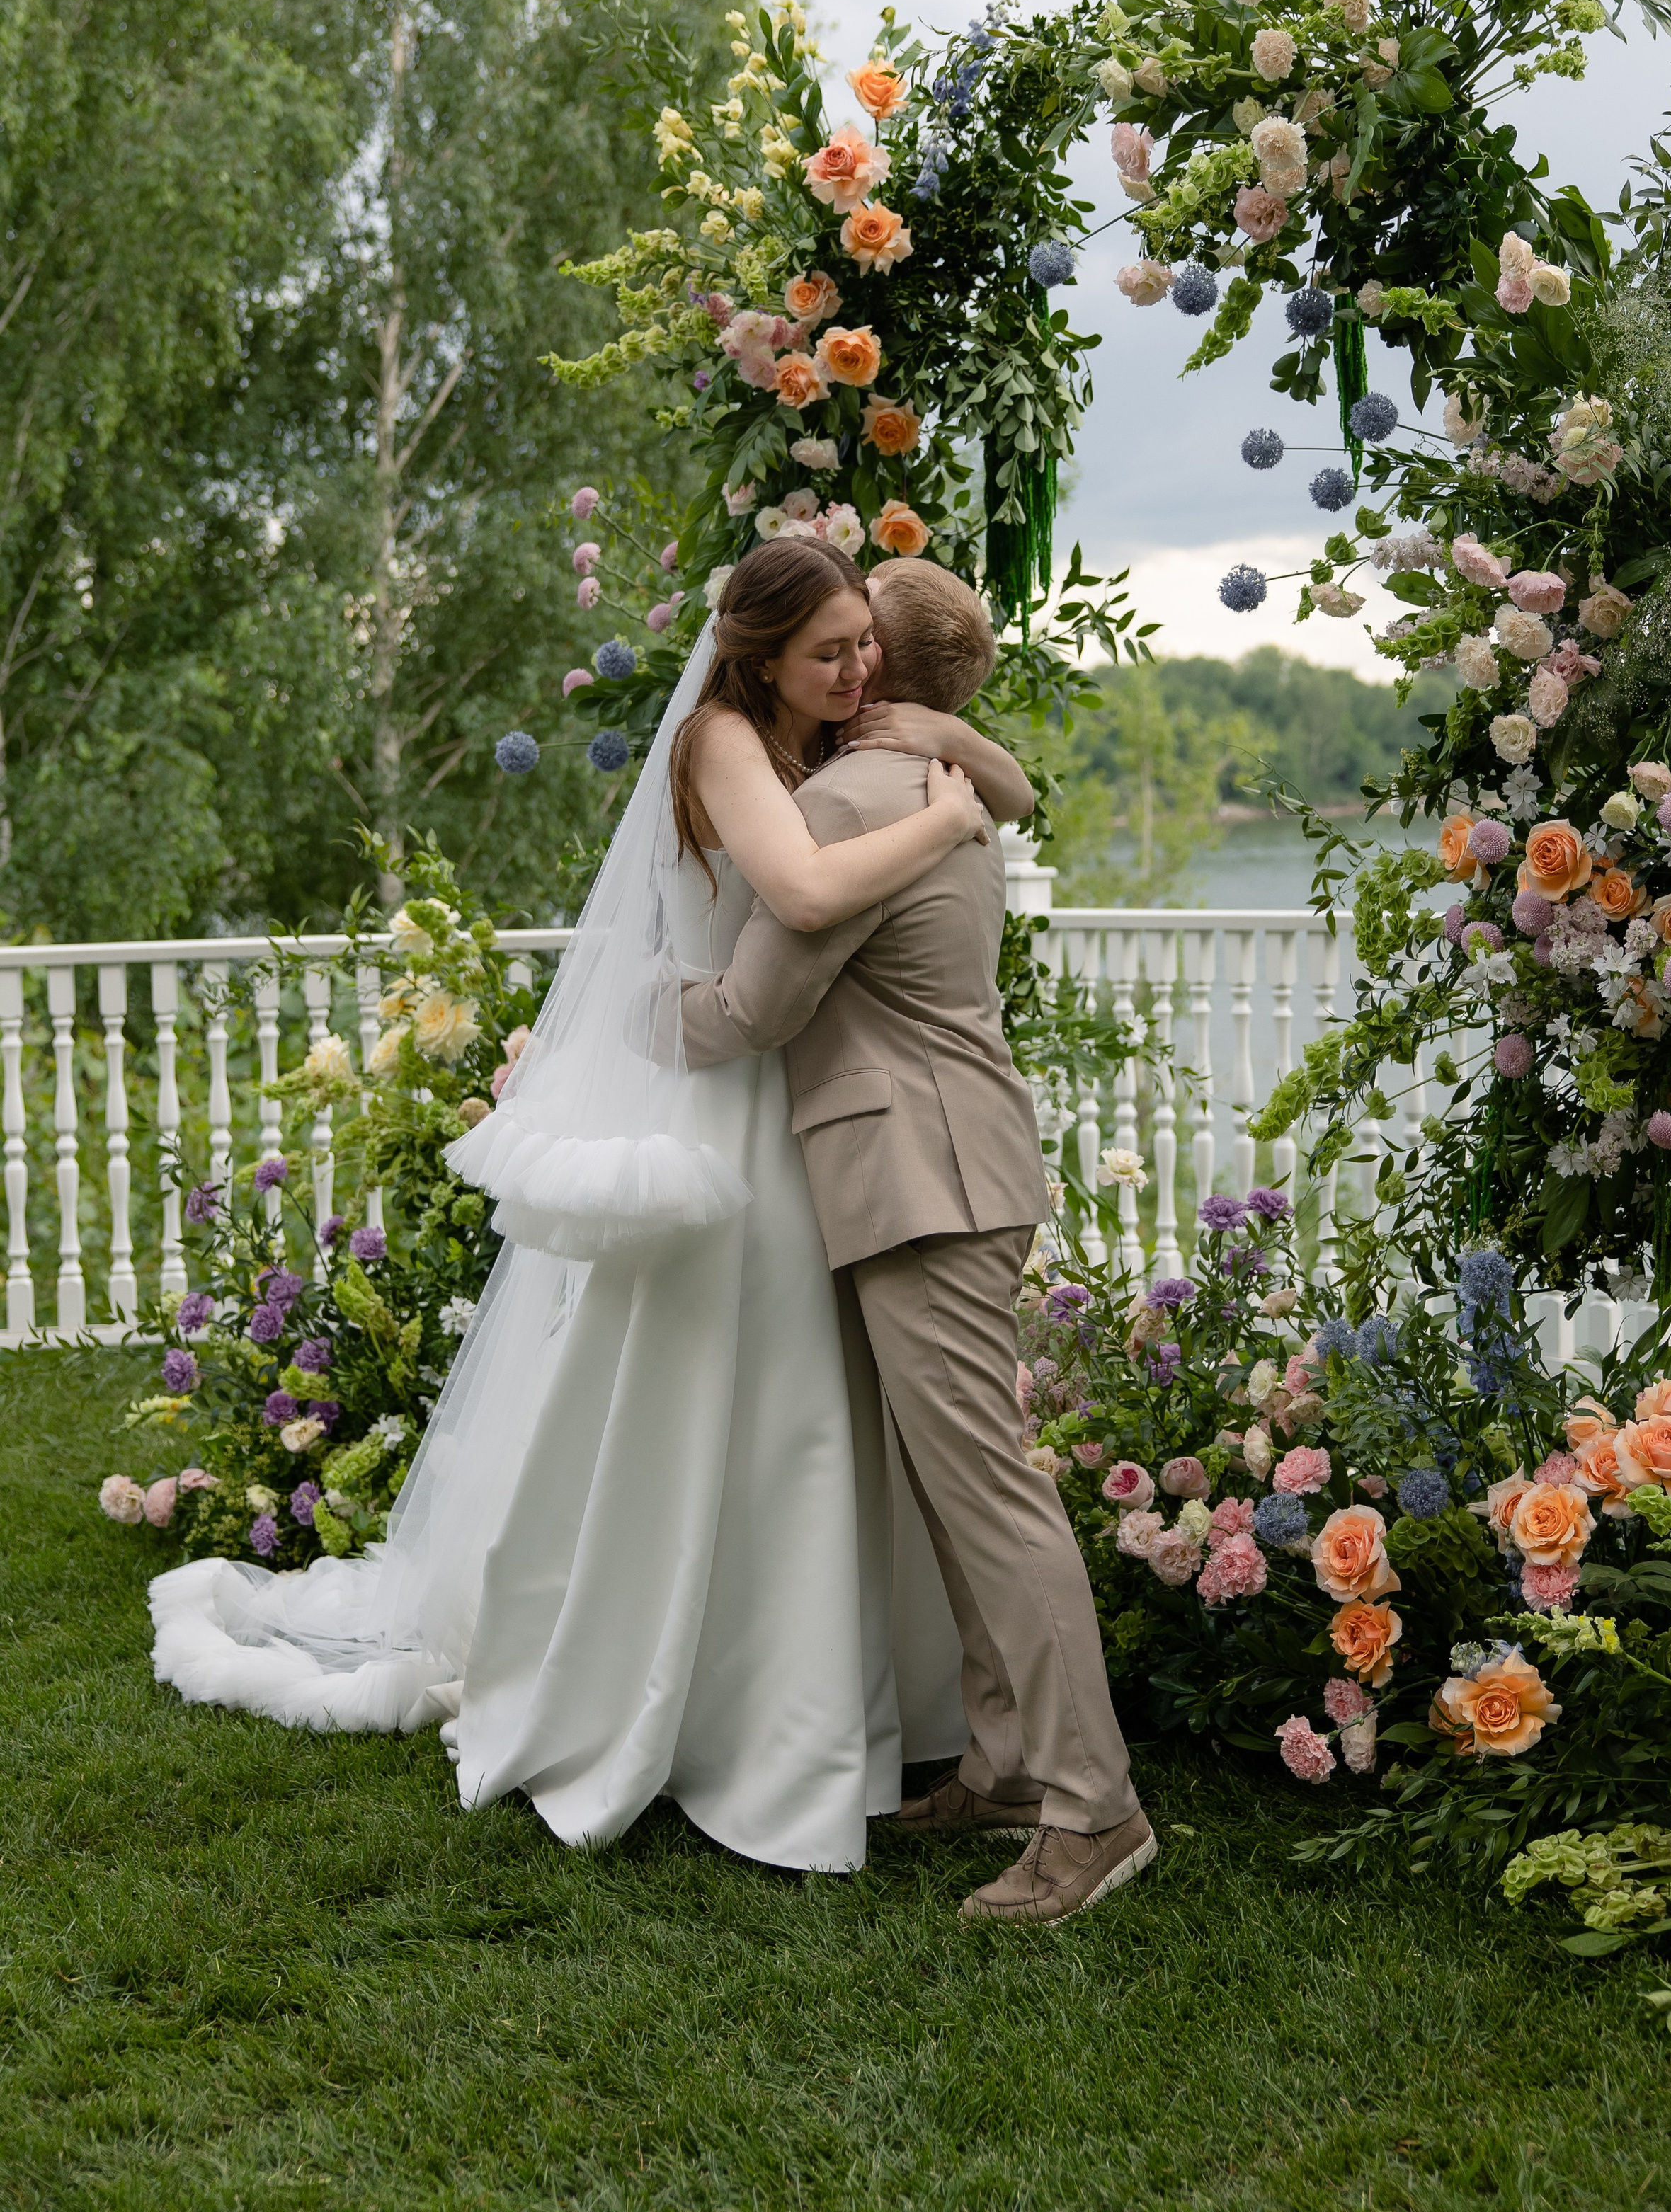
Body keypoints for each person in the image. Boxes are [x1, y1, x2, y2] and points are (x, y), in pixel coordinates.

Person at [148, 539, 1032, 1874]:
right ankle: (704, 1705)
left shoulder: (833, 739)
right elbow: (794, 895)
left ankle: (834, 1705)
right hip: (724, 1084)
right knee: (717, 1399)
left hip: (786, 1106)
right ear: (759, 654)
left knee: (806, 1411)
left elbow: (1004, 780)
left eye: (866, 645)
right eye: (830, 650)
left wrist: (966, 784)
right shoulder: (730, 741)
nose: (858, 670)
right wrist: (949, 823)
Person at [680, 561, 1155, 1925]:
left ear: (876, 663)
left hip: (919, 1174)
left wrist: (627, 1023)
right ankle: (1004, 1762)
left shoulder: (846, 802)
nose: (847, 666)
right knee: (962, 1488)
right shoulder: (933, 786)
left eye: (854, 643)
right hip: (948, 1162)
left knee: (992, 1494)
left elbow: (758, 1007)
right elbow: (1001, 789)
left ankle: (1095, 1808)